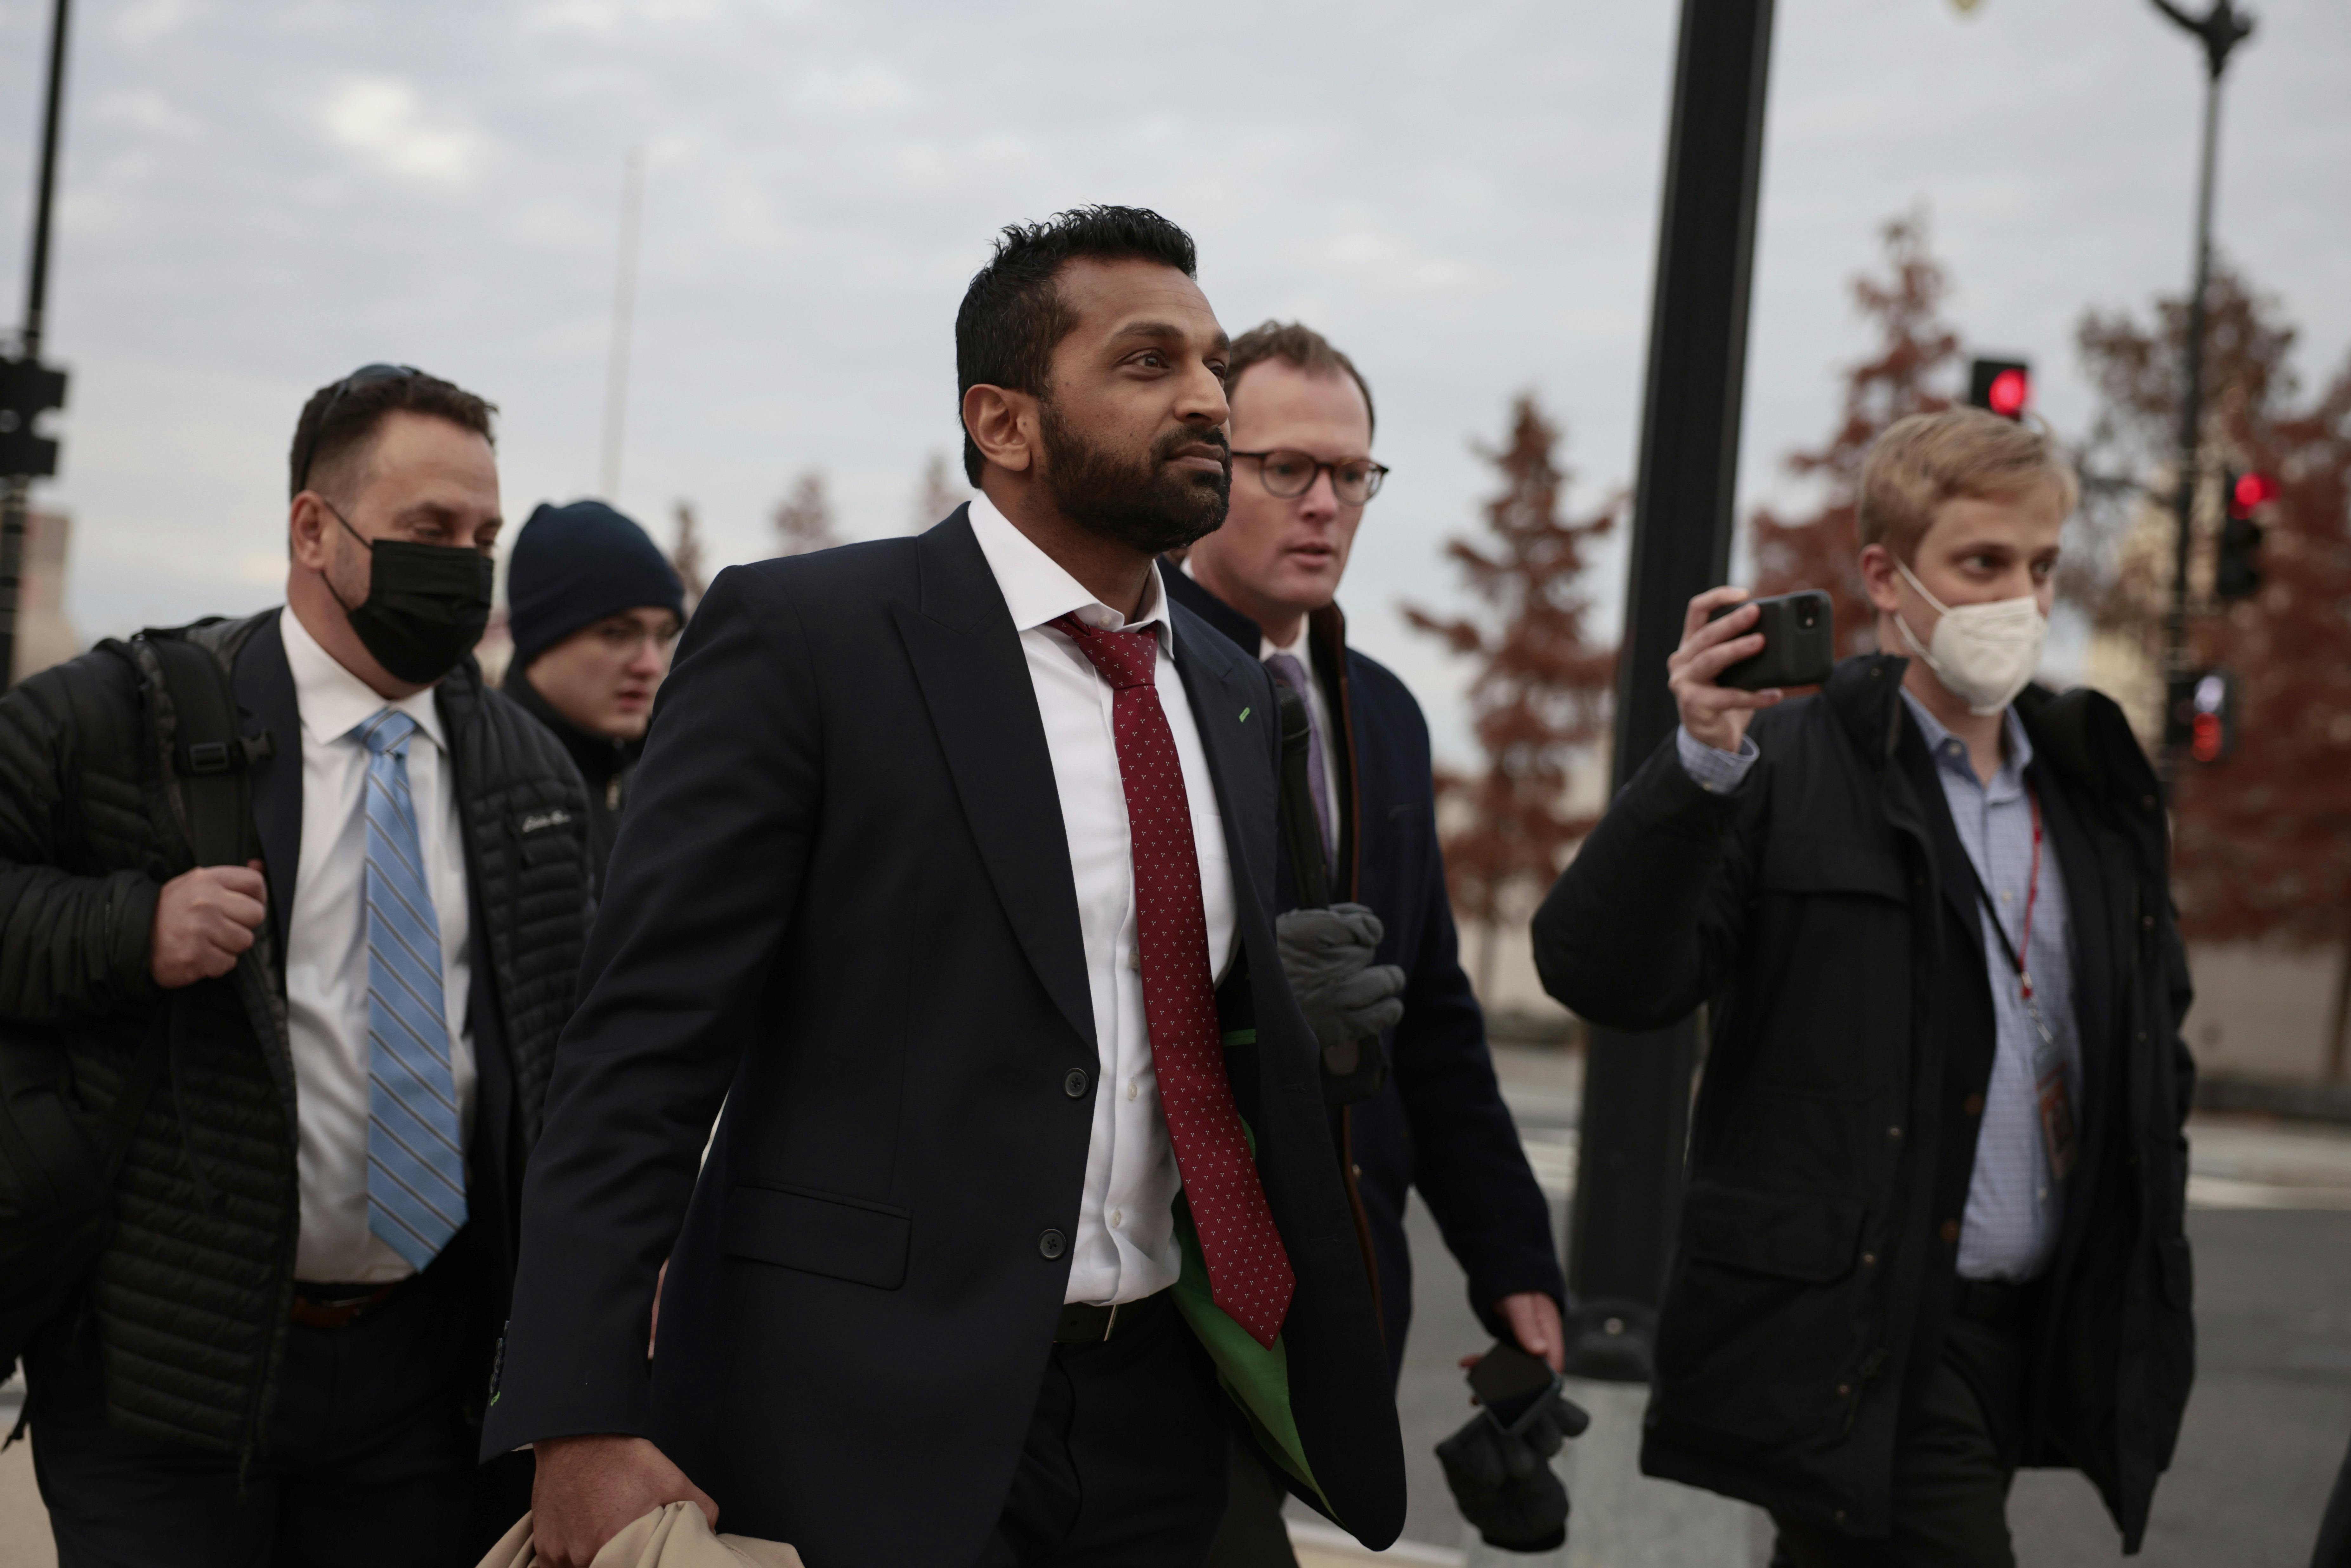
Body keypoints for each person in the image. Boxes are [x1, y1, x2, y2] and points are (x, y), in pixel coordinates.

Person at [483, 206, 1407, 1568]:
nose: (1208, 398)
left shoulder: (1223, 691)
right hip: (873, 1421)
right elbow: (638, 1049)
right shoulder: (809, 641)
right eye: (1151, 363)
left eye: (1212, 363)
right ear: (1005, 421)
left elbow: (1170, 1033)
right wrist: (573, 1413)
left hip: (1174, 1409)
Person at [1530, 407, 2195, 1565]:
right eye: (1979, 564)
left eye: (2038, 567)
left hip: (2028, 1323)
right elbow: (1608, 973)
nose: (2018, 601)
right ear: (1885, 580)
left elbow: (2150, 1039)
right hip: (1863, 1324)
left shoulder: (2088, 790)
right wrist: (1696, 761)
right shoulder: (1781, 766)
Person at [2, 365, 597, 1563]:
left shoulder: (529, 776)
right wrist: (131, 928)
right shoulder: (122, 720)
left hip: (417, 1386)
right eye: (430, 529)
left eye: (483, 535)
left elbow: (564, 1067)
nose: (465, 563)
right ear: (312, 529)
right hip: (164, 1374)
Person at [1166, 322, 1567, 1561]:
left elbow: (1431, 1012)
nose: (1325, 504)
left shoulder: (1378, 709)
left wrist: (1513, 1261)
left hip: (1339, 1276)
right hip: (1173, 1283)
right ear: (1202, 471)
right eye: (1284, 468)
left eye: (1353, 475)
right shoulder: (1138, 683)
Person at [502, 499, 686, 884]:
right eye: (618, 634)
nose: (650, 665)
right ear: (541, 640)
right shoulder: (474, 785)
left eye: (665, 635)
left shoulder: (661, 786)